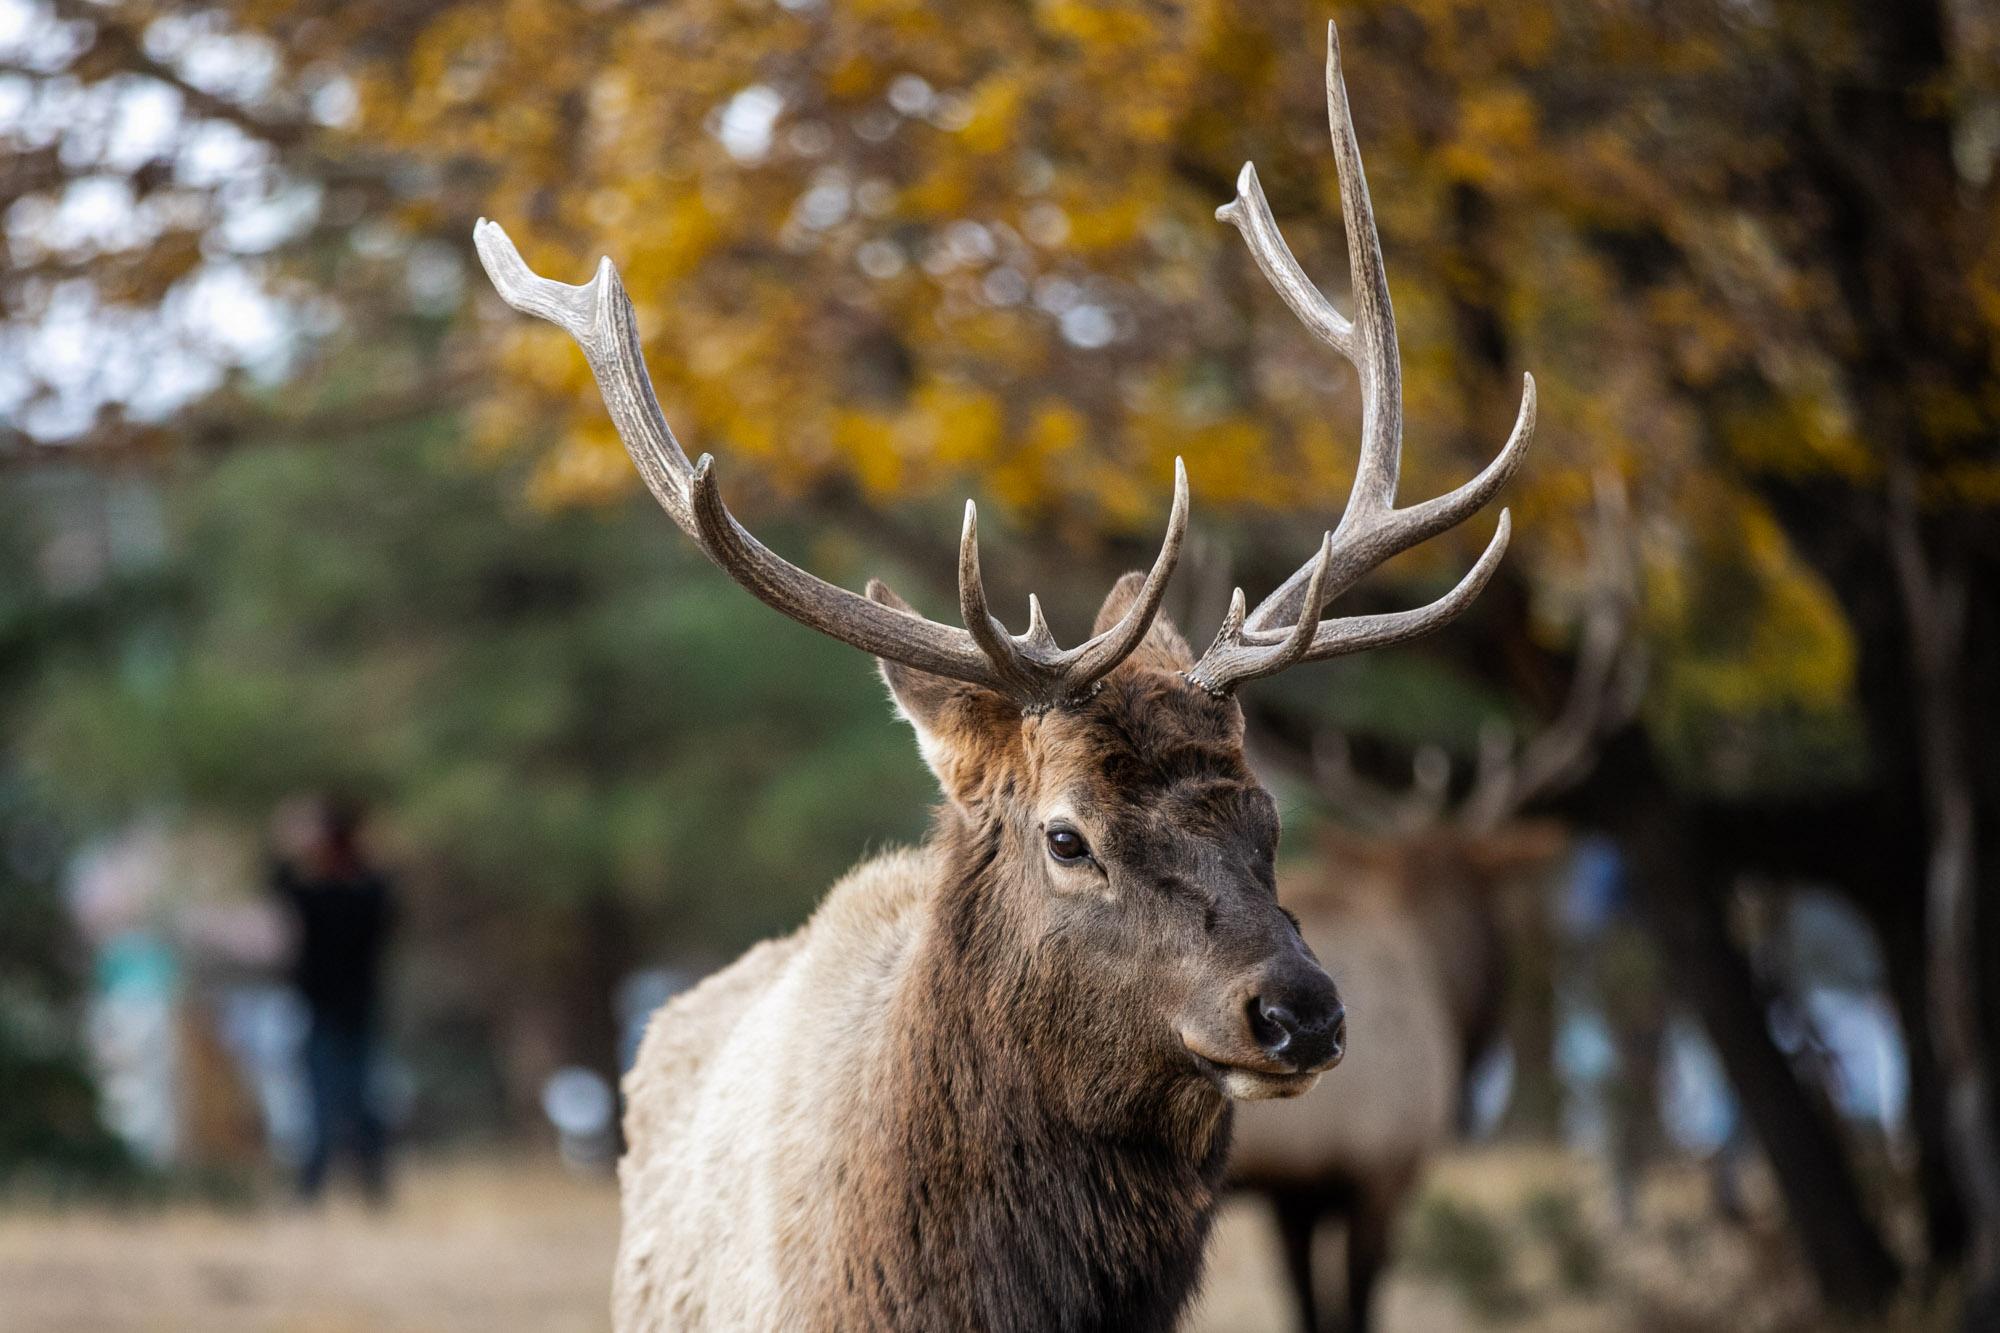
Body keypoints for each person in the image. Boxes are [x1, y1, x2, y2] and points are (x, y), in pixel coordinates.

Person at [270, 795, 396, 1204]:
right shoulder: (359, 893)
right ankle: (346, 1188)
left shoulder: (342, 896)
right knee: (343, 1103)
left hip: (344, 1011)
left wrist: (297, 845)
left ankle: (350, 1187)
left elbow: (278, 878)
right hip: (333, 1010)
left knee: (342, 1103)